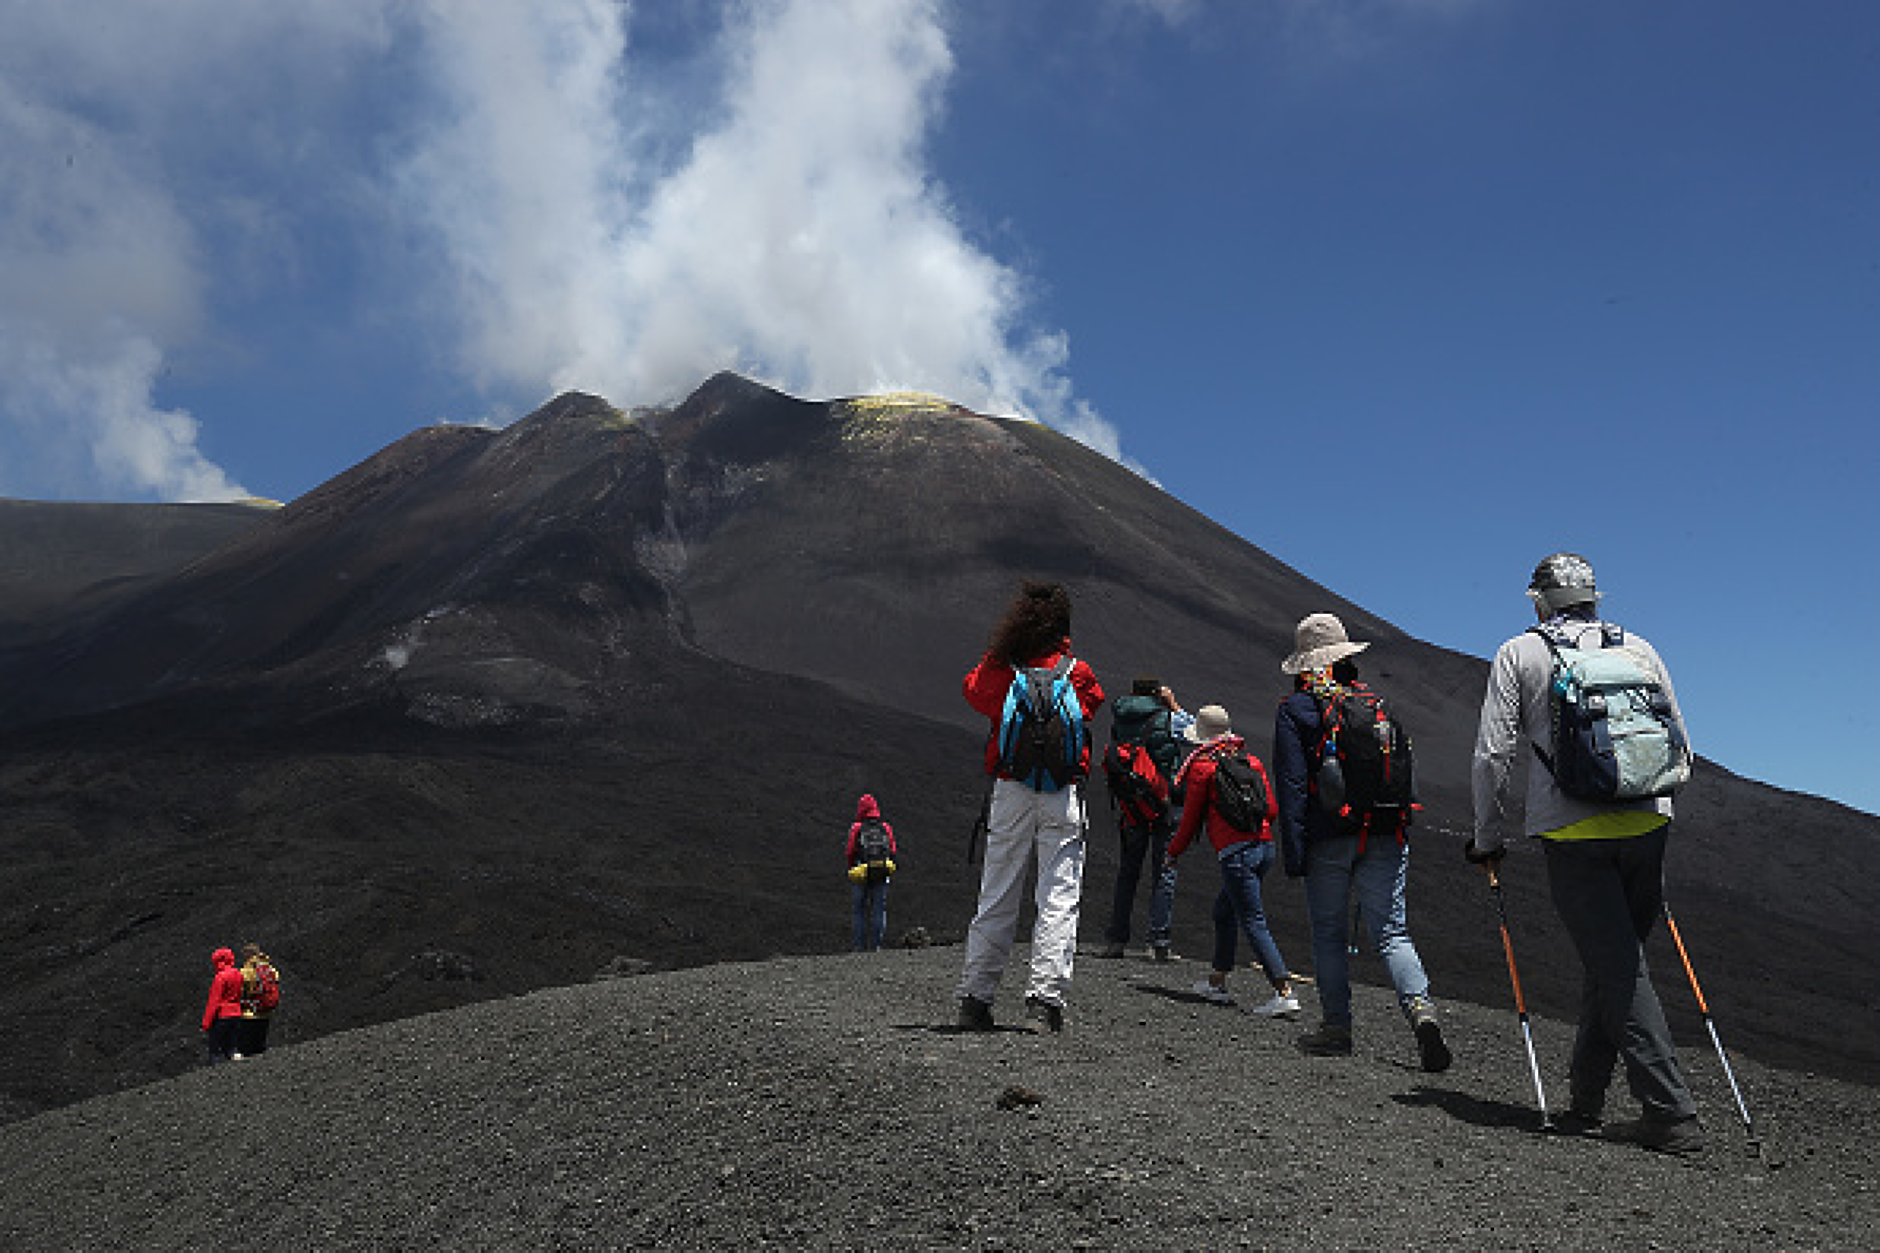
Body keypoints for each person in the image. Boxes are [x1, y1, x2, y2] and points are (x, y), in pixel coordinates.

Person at [1466, 553, 1703, 1154]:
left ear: (1538, 601)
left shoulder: (1520, 653)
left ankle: (1669, 1113)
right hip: (1649, 820)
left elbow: (1493, 754)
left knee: (1618, 965)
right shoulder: (1639, 649)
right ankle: (1586, 1100)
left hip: (1574, 831)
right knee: (1616, 960)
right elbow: (1683, 742)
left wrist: (1487, 836)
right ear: (1595, 596)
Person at [1274, 612, 1450, 1070]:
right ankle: (1422, 1012)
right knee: (1392, 931)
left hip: (1328, 839)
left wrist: (1294, 853)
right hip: (1386, 833)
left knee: (1328, 936)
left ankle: (1337, 1028)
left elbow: (1292, 786)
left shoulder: (1296, 711)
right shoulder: (1376, 704)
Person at [956, 581, 1105, 1034]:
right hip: (1060, 793)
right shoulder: (1077, 673)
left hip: (1010, 789)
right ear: (1063, 628)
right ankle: (1045, 1000)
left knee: (998, 890)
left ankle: (975, 998)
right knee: (1058, 895)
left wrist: (1003, 649)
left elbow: (973, 690)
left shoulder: (1006, 669)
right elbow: (1093, 706)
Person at [1166, 705, 1300, 1017]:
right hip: (1264, 847)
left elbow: (1189, 821)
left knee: (1253, 920)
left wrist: (1172, 853)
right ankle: (1217, 982)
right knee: (1224, 912)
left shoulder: (1202, 767)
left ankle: (1283, 991)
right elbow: (1271, 810)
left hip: (1235, 853)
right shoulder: (1250, 760)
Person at [1097, 678, 1195, 962]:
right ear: (1157, 694)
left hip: (1133, 804)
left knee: (1127, 872)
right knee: (1164, 872)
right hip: (1166, 802)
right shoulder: (1167, 718)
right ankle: (1158, 941)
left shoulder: (1120, 717)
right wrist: (1173, 704)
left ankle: (1116, 940)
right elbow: (1195, 734)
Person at [846, 794, 898, 952]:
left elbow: (849, 852)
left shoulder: (857, 828)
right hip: (882, 871)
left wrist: (852, 869)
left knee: (859, 910)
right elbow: (893, 851)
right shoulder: (885, 827)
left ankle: (859, 947)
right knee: (878, 909)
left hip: (862, 870)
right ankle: (876, 946)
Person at [236, 942, 280, 1057]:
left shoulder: (247, 971)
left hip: (249, 1013)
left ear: (247, 955)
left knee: (246, 1048)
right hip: (267, 1012)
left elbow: (241, 991)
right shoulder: (271, 969)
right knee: (260, 1046)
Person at [201, 946, 244, 1064]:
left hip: (222, 1016)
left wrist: (206, 1023)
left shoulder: (220, 977)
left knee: (215, 1050)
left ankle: (215, 1075)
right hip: (236, 1014)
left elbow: (213, 1002)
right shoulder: (238, 974)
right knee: (232, 1047)